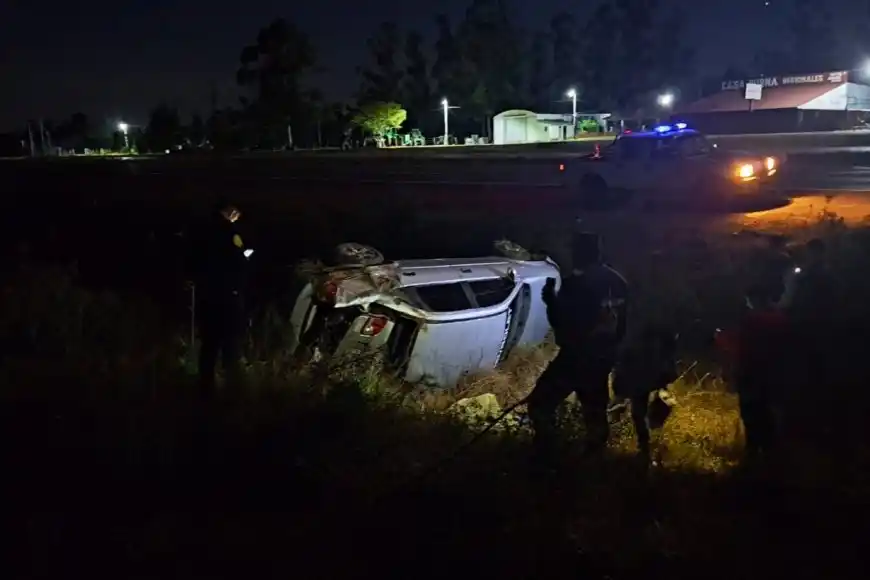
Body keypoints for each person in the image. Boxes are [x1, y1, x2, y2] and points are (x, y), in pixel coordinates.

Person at [526, 232, 628, 466]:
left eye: (574, 251)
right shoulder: (618, 282)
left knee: (540, 405)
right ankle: (594, 462)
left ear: (580, 254)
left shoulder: (576, 284)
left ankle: (548, 457)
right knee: (594, 412)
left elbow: (563, 327)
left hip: (576, 359)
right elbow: (623, 326)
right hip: (603, 359)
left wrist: (551, 301)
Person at [192, 198, 250, 395]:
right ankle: (232, 388)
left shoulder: (202, 230)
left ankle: (205, 385)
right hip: (227, 295)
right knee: (229, 341)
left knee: (209, 343)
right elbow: (239, 261)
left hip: (206, 294)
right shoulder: (229, 232)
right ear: (230, 212)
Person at [611, 326, 679, 461]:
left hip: (645, 362)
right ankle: (646, 447)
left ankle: (646, 448)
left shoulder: (651, 318)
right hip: (640, 362)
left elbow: (668, 340)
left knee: (638, 408)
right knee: (638, 407)